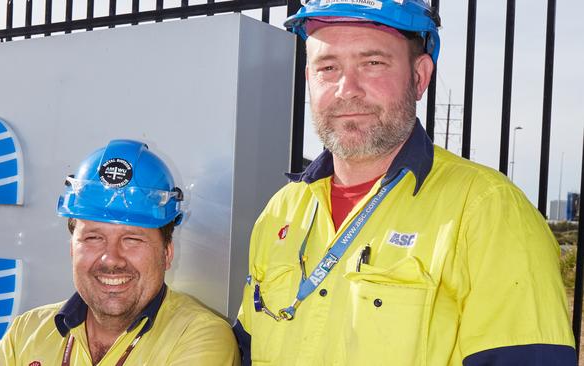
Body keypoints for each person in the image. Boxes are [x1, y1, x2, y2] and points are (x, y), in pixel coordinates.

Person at [233, 1, 576, 365]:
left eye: (373, 63)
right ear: (308, 78)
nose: (346, 89)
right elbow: (248, 349)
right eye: (328, 67)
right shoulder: (282, 210)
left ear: (419, 77)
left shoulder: (489, 212)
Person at [0, 139, 240, 365]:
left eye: (132, 239)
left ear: (167, 252)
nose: (111, 258)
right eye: (94, 238)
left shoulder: (200, 338)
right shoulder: (24, 334)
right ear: (72, 249)